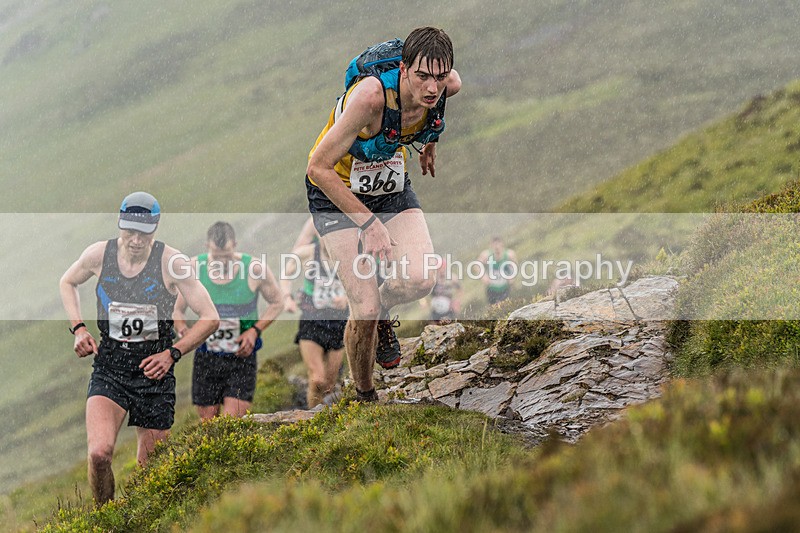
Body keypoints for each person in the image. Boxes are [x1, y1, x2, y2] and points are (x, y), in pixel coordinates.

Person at [305, 27, 461, 402]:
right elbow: (317, 168)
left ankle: (383, 311)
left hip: (389, 187)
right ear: (404, 69)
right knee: (365, 306)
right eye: (422, 76)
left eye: (439, 77)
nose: (431, 87)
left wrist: (427, 144)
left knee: (421, 279)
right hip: (336, 191)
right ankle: (365, 394)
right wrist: (368, 223)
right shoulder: (371, 98)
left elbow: (432, 113)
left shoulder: (447, 87)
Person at [59, 192, 219, 504]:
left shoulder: (172, 263)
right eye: (129, 231)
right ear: (119, 225)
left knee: (152, 474)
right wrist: (78, 328)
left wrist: (172, 353)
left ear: (155, 230)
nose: (135, 240)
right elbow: (67, 281)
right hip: (111, 369)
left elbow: (210, 317)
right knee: (99, 454)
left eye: (143, 233)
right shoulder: (98, 255)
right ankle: (107, 518)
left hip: (154, 375)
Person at [173, 222, 284, 421]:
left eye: (227, 255)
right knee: (208, 424)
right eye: (217, 255)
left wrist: (255, 330)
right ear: (207, 246)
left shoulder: (254, 268)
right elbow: (177, 309)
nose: (222, 260)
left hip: (241, 357)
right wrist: (183, 330)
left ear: (235, 244)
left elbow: (277, 302)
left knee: (232, 423)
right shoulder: (193, 269)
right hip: (206, 358)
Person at [282, 227, 349, 408]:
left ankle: (324, 421)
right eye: (322, 233)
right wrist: (287, 297)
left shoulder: (349, 254)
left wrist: (347, 298)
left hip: (339, 322)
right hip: (312, 319)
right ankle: (312, 418)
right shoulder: (309, 253)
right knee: (317, 379)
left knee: (328, 384)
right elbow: (288, 269)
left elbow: (366, 279)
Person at [478, 236, 518, 305]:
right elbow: (477, 265)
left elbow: (515, 266)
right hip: (491, 287)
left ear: (502, 245)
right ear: (491, 246)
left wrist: (512, 276)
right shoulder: (486, 255)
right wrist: (483, 276)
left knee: (505, 305)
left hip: (505, 286)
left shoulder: (509, 254)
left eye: (498, 245)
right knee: (492, 307)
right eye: (494, 246)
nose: (497, 248)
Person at [421, 258, 462, 324]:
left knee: (450, 325)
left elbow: (460, 290)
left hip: (449, 308)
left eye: (441, 268)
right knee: (433, 327)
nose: (439, 270)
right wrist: (424, 302)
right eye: (437, 268)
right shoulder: (432, 279)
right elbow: (422, 292)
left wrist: (456, 302)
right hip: (435, 309)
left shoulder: (452, 278)